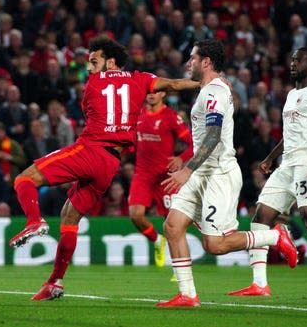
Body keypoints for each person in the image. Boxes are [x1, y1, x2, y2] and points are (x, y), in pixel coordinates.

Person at [10, 36, 202, 301]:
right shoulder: (140, 79)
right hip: (110, 164)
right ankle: (55, 281)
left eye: (94, 61)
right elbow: (174, 84)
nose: (89, 68)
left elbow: (90, 112)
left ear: (110, 62)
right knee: (69, 218)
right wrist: (207, 80)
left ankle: (34, 221)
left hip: (90, 150)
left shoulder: (91, 86)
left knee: (23, 179)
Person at [156, 39, 297, 308]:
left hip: (218, 174)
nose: (188, 63)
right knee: (173, 226)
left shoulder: (215, 93)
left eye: (192, 58)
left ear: (206, 62)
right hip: (201, 173)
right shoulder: (209, 88)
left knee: (215, 245)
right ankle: (187, 294)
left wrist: (187, 169)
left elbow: (213, 135)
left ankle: (276, 236)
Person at [228, 47, 307, 297]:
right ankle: (259, 284)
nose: (293, 63)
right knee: (261, 218)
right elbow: (289, 135)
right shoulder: (292, 95)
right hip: (286, 165)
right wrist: (270, 158)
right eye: (292, 59)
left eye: (299, 59)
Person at [128, 91, 193, 267]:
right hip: (142, 174)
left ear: (163, 93)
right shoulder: (138, 115)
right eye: (148, 92)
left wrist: (181, 158)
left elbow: (193, 143)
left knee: (173, 225)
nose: (151, 95)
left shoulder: (171, 116)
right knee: (135, 215)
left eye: (155, 91)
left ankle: (178, 267)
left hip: (165, 177)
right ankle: (157, 241)